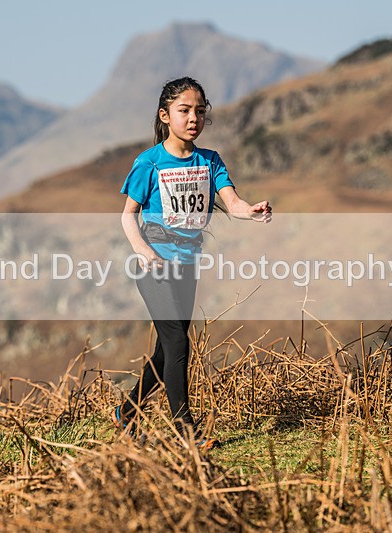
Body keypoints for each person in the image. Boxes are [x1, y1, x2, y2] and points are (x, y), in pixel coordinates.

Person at [113, 77, 272, 449]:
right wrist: (144, 251)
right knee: (178, 342)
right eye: (184, 111)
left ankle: (127, 411)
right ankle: (187, 434)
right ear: (165, 115)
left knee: (165, 350)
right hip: (152, 264)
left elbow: (231, 202)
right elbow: (127, 215)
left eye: (200, 111)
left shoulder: (209, 161)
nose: (193, 118)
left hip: (186, 264)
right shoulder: (148, 162)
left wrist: (250, 210)